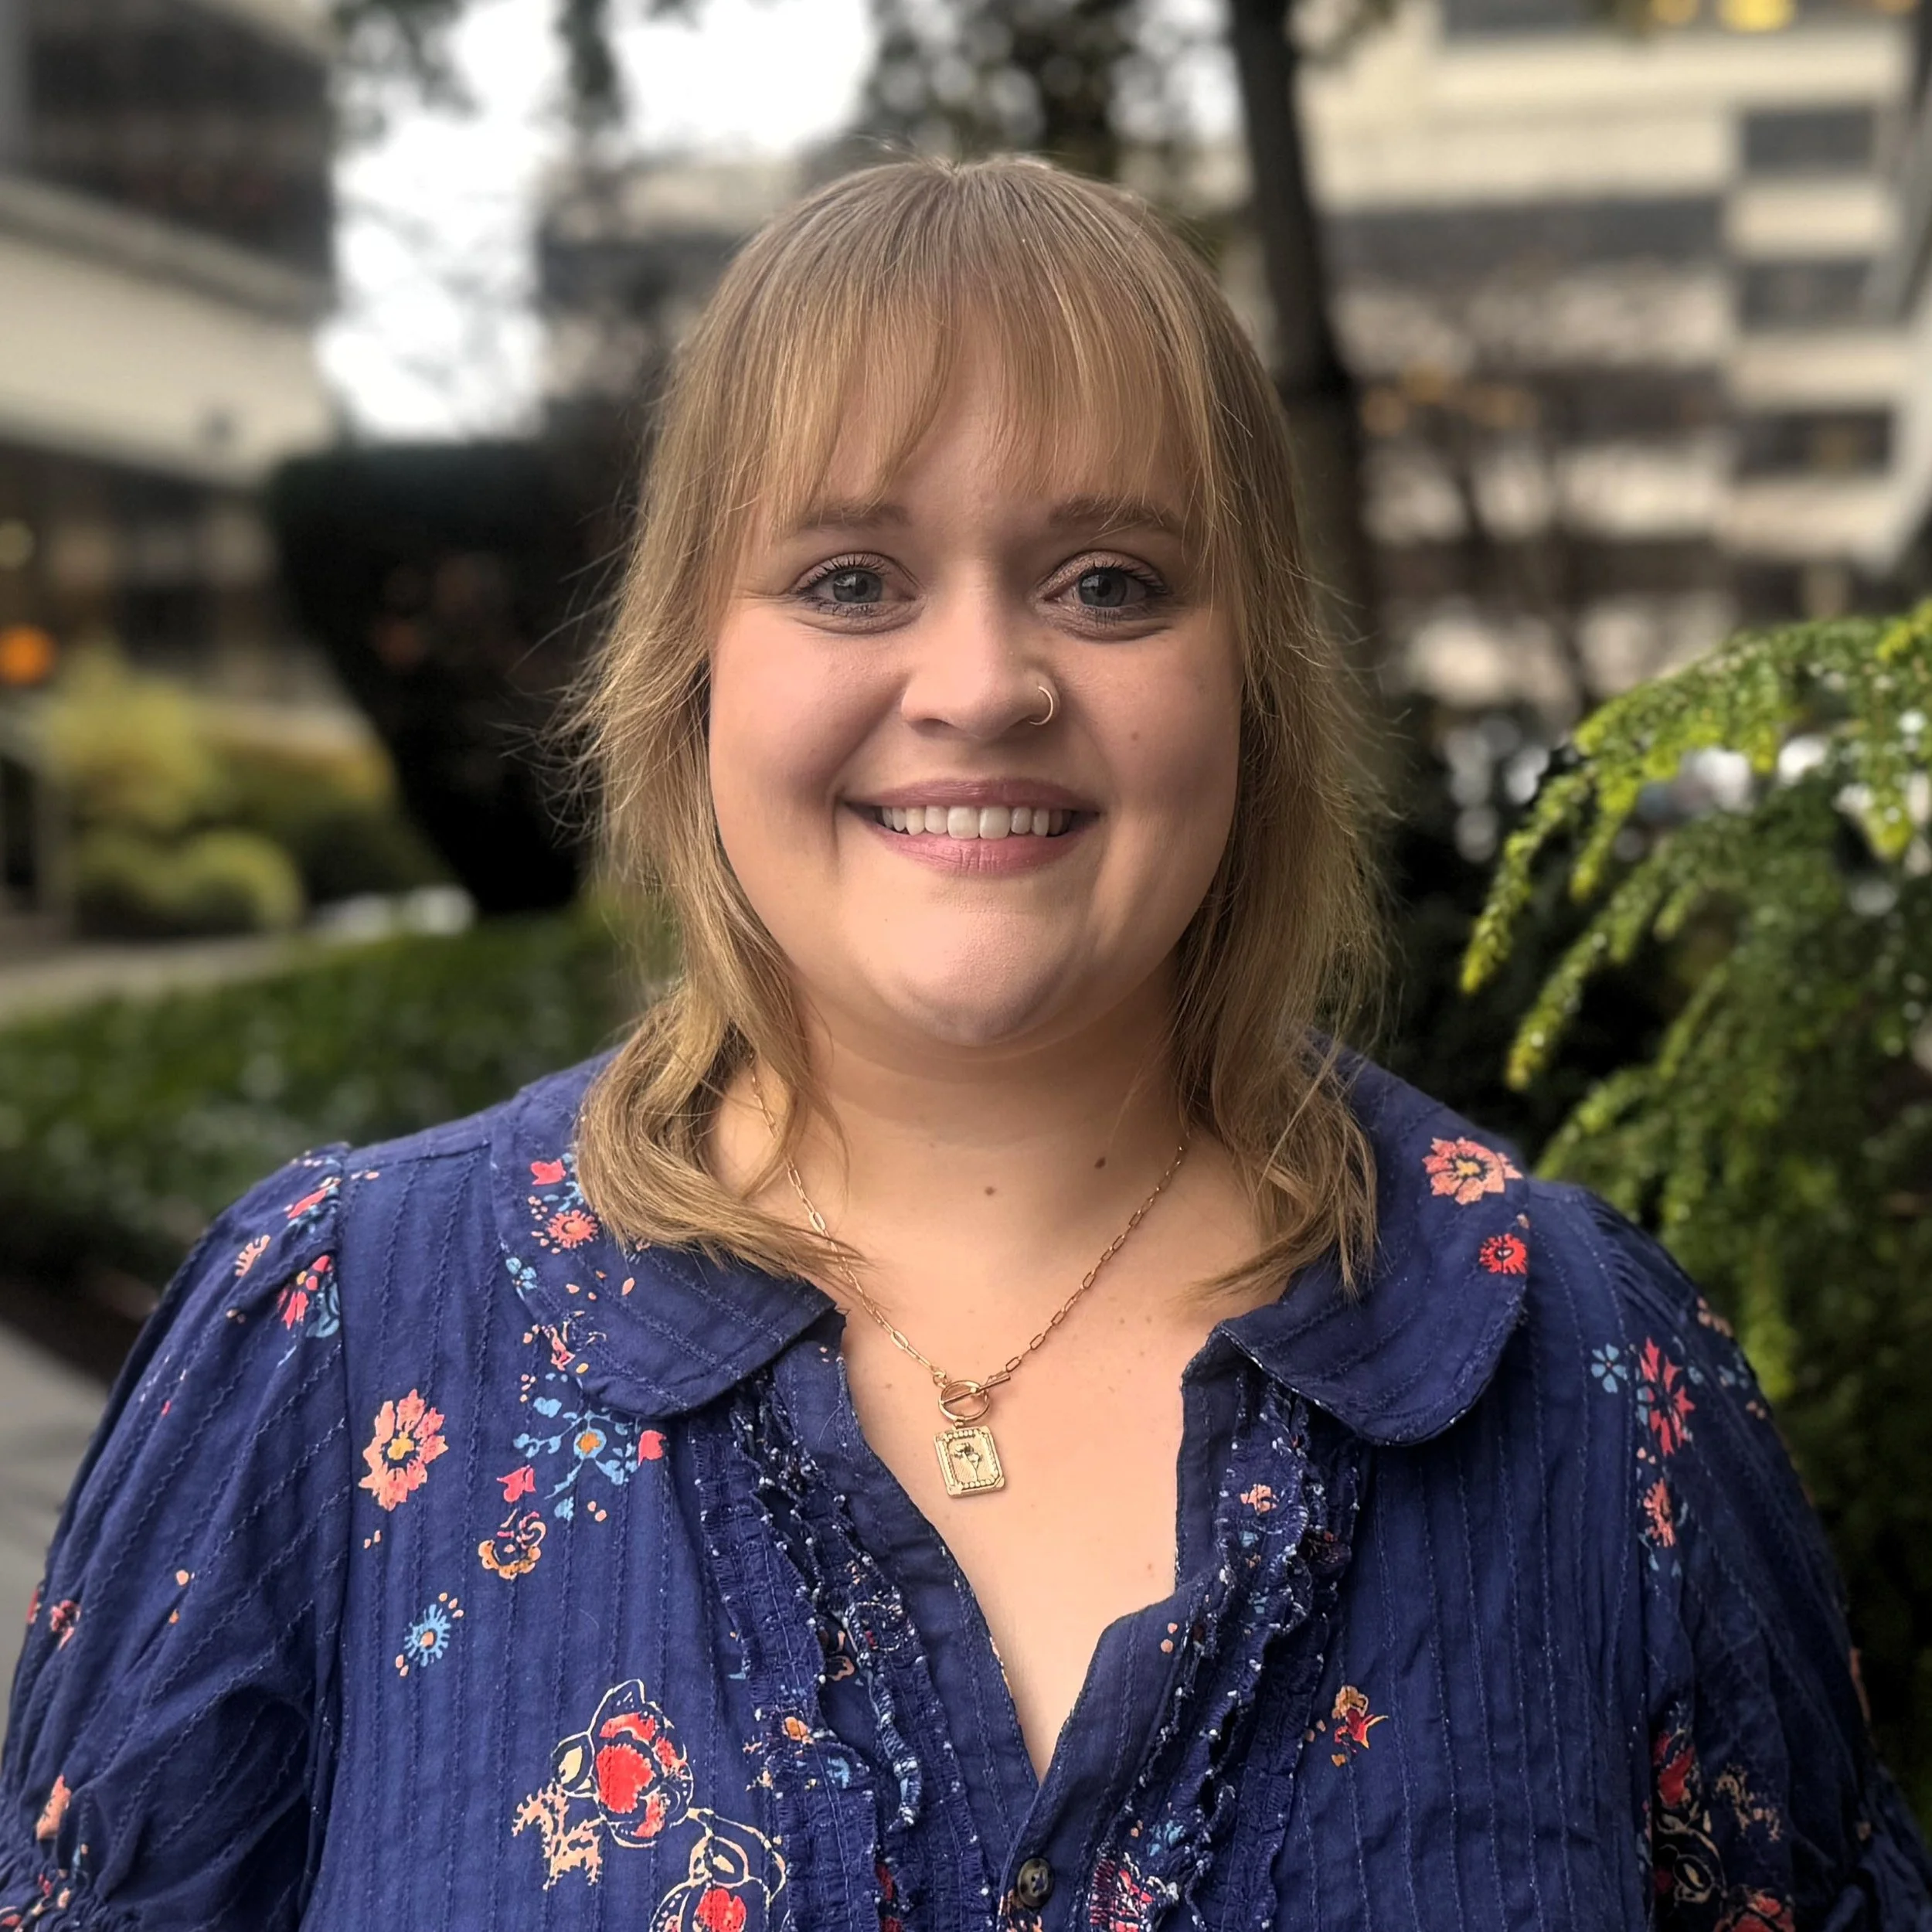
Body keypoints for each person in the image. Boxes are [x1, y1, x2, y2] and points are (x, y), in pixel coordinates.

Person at [2, 156, 1927, 1932]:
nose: (984, 682)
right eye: (849, 577)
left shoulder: (1581, 1369)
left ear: (1248, 682)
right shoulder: (339, 1347)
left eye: (1110, 583)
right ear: (691, 671)